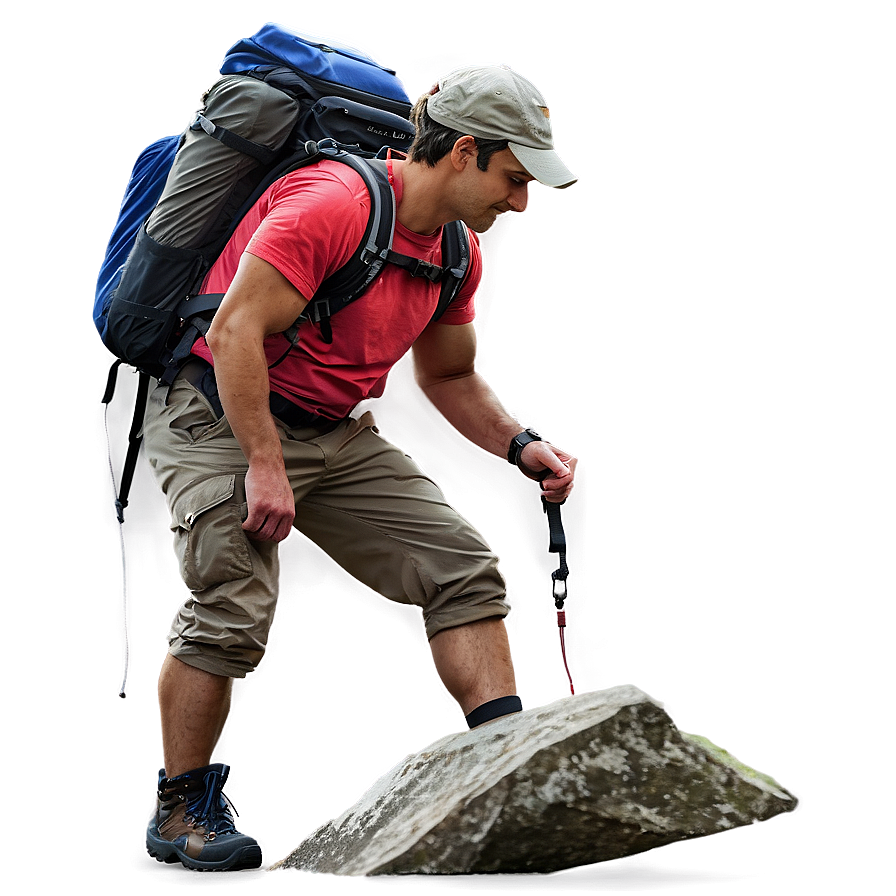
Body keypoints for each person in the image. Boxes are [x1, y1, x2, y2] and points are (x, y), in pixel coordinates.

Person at [141, 61, 579, 872]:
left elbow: (447, 376)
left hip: (333, 433)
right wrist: (265, 466)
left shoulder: (455, 252)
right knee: (232, 603)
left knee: (462, 572)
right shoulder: (332, 204)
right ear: (464, 152)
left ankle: (509, 767)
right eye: (513, 178)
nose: (522, 203)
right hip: (214, 413)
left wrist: (520, 445)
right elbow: (236, 331)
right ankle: (179, 808)